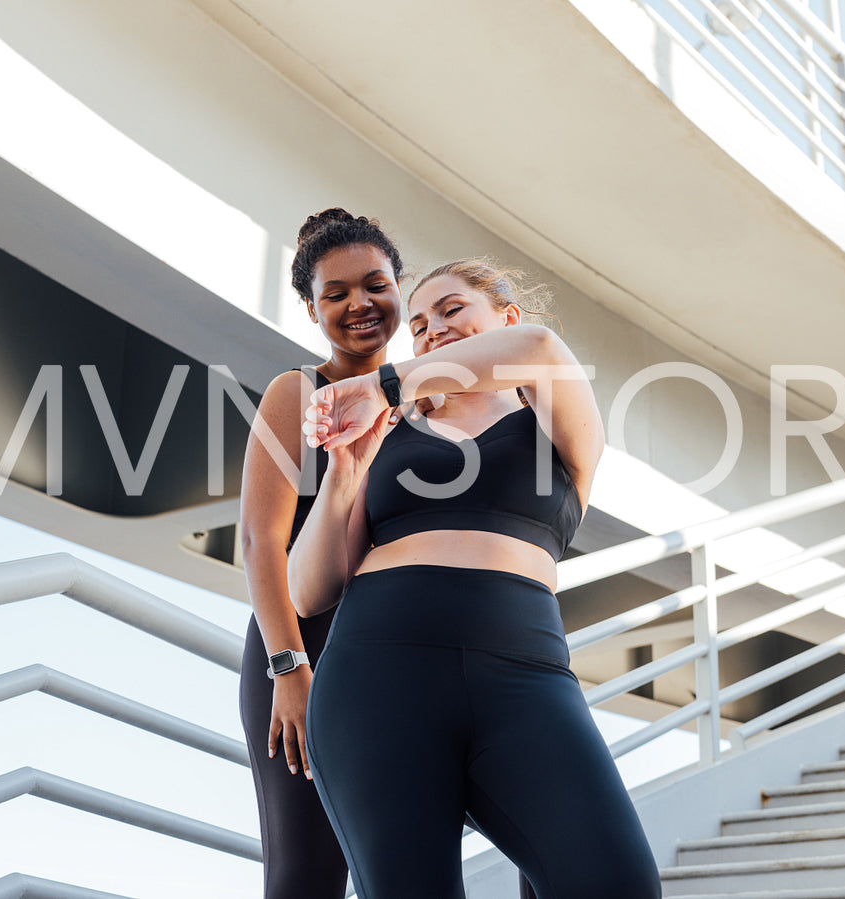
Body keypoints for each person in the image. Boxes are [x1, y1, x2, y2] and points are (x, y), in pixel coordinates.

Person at [288, 260, 662, 899]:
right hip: (377, 674)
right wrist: (345, 472)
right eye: (420, 325)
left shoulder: (552, 425)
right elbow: (309, 588)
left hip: (525, 677)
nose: (431, 330)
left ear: (505, 318)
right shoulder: (389, 432)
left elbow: (540, 350)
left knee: (618, 884)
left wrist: (381, 381)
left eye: (452, 310)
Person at [237, 208, 404, 899]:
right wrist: (289, 669)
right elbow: (259, 541)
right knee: (306, 874)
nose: (359, 303)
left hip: (401, 655)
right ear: (311, 308)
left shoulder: (429, 400)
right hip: (305, 653)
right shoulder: (298, 392)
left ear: (401, 287)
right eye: (335, 293)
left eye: (374, 285)